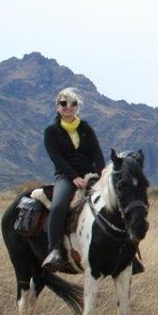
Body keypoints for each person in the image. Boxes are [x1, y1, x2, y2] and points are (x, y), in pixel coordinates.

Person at [42, 88, 106, 271]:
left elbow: (97, 152)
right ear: (57, 106)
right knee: (59, 205)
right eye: (63, 103)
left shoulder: (85, 127)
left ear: (78, 107)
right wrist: (74, 177)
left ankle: (125, 252)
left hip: (91, 174)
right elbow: (57, 159)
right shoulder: (51, 131)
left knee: (113, 201)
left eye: (73, 104)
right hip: (65, 177)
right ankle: (53, 250)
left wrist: (101, 173)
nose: (68, 107)